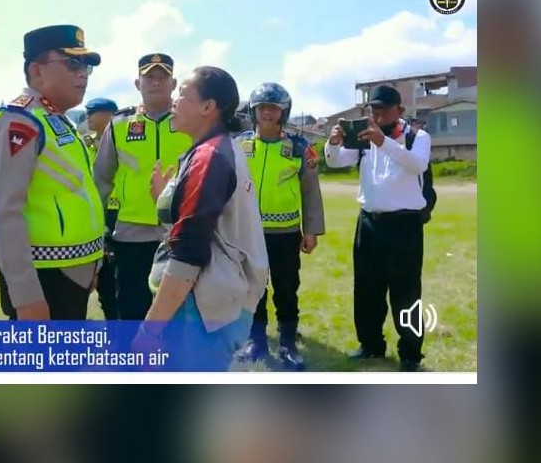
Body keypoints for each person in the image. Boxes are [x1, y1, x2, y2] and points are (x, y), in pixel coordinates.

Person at [132, 66, 268, 371]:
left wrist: (149, 329)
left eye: (182, 94)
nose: (174, 101)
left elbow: (190, 251)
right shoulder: (213, 150)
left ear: (209, 107)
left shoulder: (210, 158)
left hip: (203, 311)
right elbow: (205, 228)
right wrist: (162, 199)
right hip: (214, 305)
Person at [0, 24, 106, 320]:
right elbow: (6, 212)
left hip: (72, 273)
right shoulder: (21, 120)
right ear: (37, 71)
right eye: (72, 63)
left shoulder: (57, 120)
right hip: (45, 278)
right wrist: (25, 296)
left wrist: (91, 262)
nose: (83, 73)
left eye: (86, 66)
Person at [323, 85, 431, 371]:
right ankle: (371, 345)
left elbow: (418, 165)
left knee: (406, 292)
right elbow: (334, 162)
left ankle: (410, 354)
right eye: (373, 109)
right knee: (367, 289)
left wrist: (383, 141)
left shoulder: (416, 136)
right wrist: (333, 143)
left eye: (383, 108)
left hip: (404, 224)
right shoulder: (364, 139)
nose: (378, 113)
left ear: (400, 110)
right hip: (369, 223)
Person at [233, 83, 325, 371]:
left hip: (285, 234)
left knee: (287, 288)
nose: (268, 113)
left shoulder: (300, 148)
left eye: (274, 108)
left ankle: (287, 343)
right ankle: (255, 340)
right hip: (247, 233)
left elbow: (311, 191)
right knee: (252, 289)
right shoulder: (239, 145)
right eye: (262, 108)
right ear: (253, 111)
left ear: (284, 111)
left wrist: (311, 229)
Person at [94, 53, 192, 321]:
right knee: (132, 306)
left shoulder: (191, 122)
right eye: (149, 77)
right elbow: (101, 179)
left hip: (180, 230)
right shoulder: (120, 125)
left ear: (174, 85)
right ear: (138, 84)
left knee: (179, 309)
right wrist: (98, 227)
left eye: (163, 77)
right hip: (130, 233)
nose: (156, 82)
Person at [82, 96, 120, 320]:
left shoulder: (124, 140)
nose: (88, 115)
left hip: (115, 216)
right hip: (89, 217)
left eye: (94, 111)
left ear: (111, 115)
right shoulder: (83, 145)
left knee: (113, 282)